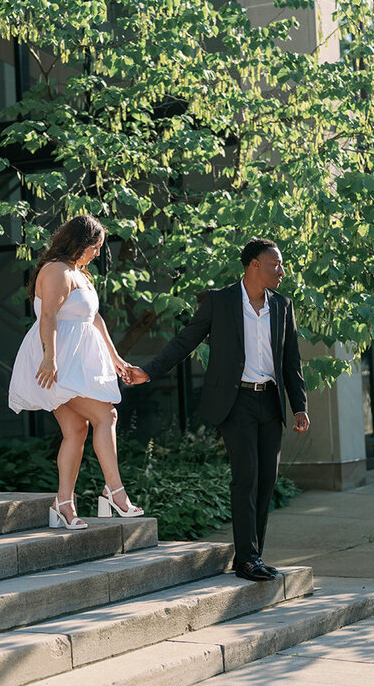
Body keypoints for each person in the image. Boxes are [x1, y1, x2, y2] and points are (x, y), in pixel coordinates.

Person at [124, 239, 310, 581]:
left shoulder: (282, 306)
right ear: (253, 265)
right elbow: (186, 340)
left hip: (270, 401)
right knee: (247, 476)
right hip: (235, 401)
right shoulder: (220, 301)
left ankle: (254, 555)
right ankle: (247, 558)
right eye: (276, 265)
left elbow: (291, 360)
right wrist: (149, 370)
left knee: (266, 481)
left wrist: (299, 406)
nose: (282, 271)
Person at [8, 214, 145, 530]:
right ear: (79, 242)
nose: (98, 253)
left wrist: (116, 359)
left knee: (77, 430)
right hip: (57, 363)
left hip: (77, 362)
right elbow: (49, 318)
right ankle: (114, 491)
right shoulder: (56, 270)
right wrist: (50, 359)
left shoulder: (80, 274)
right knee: (106, 416)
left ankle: (64, 503)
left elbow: (95, 319)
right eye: (95, 247)